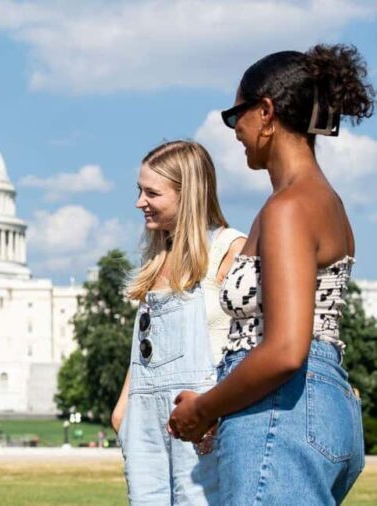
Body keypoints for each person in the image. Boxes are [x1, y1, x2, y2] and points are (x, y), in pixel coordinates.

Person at [168, 44, 374, 504]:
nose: (235, 131)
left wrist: (203, 408)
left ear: (265, 113)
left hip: (283, 411)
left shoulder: (289, 208)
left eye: (234, 116)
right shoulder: (326, 202)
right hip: (321, 405)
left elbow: (284, 350)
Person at [112, 140, 245, 504]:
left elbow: (252, 341)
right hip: (144, 425)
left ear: (188, 195)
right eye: (139, 190)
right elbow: (147, 347)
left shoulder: (228, 248)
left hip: (200, 417)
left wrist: (216, 409)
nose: (139, 202)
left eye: (152, 193)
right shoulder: (156, 256)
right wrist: (123, 411)